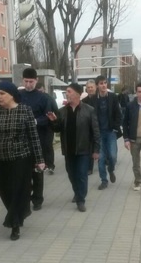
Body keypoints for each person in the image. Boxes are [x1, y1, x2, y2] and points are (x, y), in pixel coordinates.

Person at [0, 81, 45, 241]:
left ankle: (14, 223)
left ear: (12, 95)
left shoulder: (25, 110)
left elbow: (33, 136)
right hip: (3, 159)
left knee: (19, 190)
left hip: (22, 158)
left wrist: (40, 159)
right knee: (5, 191)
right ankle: (19, 213)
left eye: (2, 93)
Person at [47, 83, 100, 212]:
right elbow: (57, 129)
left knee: (82, 175)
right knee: (72, 175)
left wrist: (96, 150)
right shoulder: (62, 111)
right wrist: (53, 121)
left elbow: (95, 132)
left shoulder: (89, 110)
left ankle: (81, 200)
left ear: (77, 94)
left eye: (69, 91)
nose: (67, 94)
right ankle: (77, 193)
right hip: (68, 149)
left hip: (83, 150)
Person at [19, 67, 51, 211]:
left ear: (36, 80)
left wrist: (36, 121)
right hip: (21, 140)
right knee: (24, 172)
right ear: (22, 80)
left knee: (38, 171)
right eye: (26, 81)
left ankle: (37, 199)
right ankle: (25, 197)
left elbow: (49, 117)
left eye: (31, 81)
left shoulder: (44, 98)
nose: (28, 84)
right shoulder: (18, 95)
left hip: (38, 139)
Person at [83, 75, 122, 190]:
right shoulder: (93, 99)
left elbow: (119, 114)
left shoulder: (113, 97)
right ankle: (104, 180)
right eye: (101, 83)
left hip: (110, 132)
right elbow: (89, 116)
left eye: (105, 83)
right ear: (97, 86)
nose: (103, 85)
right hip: (98, 133)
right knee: (100, 158)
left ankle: (111, 169)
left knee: (113, 156)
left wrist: (115, 127)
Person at [36, 83, 59, 175]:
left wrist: (54, 120)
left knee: (48, 145)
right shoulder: (34, 99)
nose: (39, 93)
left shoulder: (49, 98)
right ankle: (41, 164)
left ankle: (50, 165)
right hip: (37, 127)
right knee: (39, 146)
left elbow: (56, 111)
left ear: (44, 89)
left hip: (48, 126)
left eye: (40, 91)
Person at [83, 79, 97, 175]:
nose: (90, 89)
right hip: (88, 128)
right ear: (86, 89)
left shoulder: (100, 99)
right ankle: (89, 167)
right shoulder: (83, 101)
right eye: (88, 87)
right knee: (89, 148)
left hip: (99, 127)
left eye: (92, 87)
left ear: (95, 87)